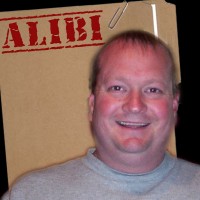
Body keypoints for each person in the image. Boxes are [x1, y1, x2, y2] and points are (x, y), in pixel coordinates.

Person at [1, 30, 200, 200]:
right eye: (117, 87)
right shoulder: (32, 194)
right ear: (93, 104)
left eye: (153, 90)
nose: (135, 105)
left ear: (174, 105)